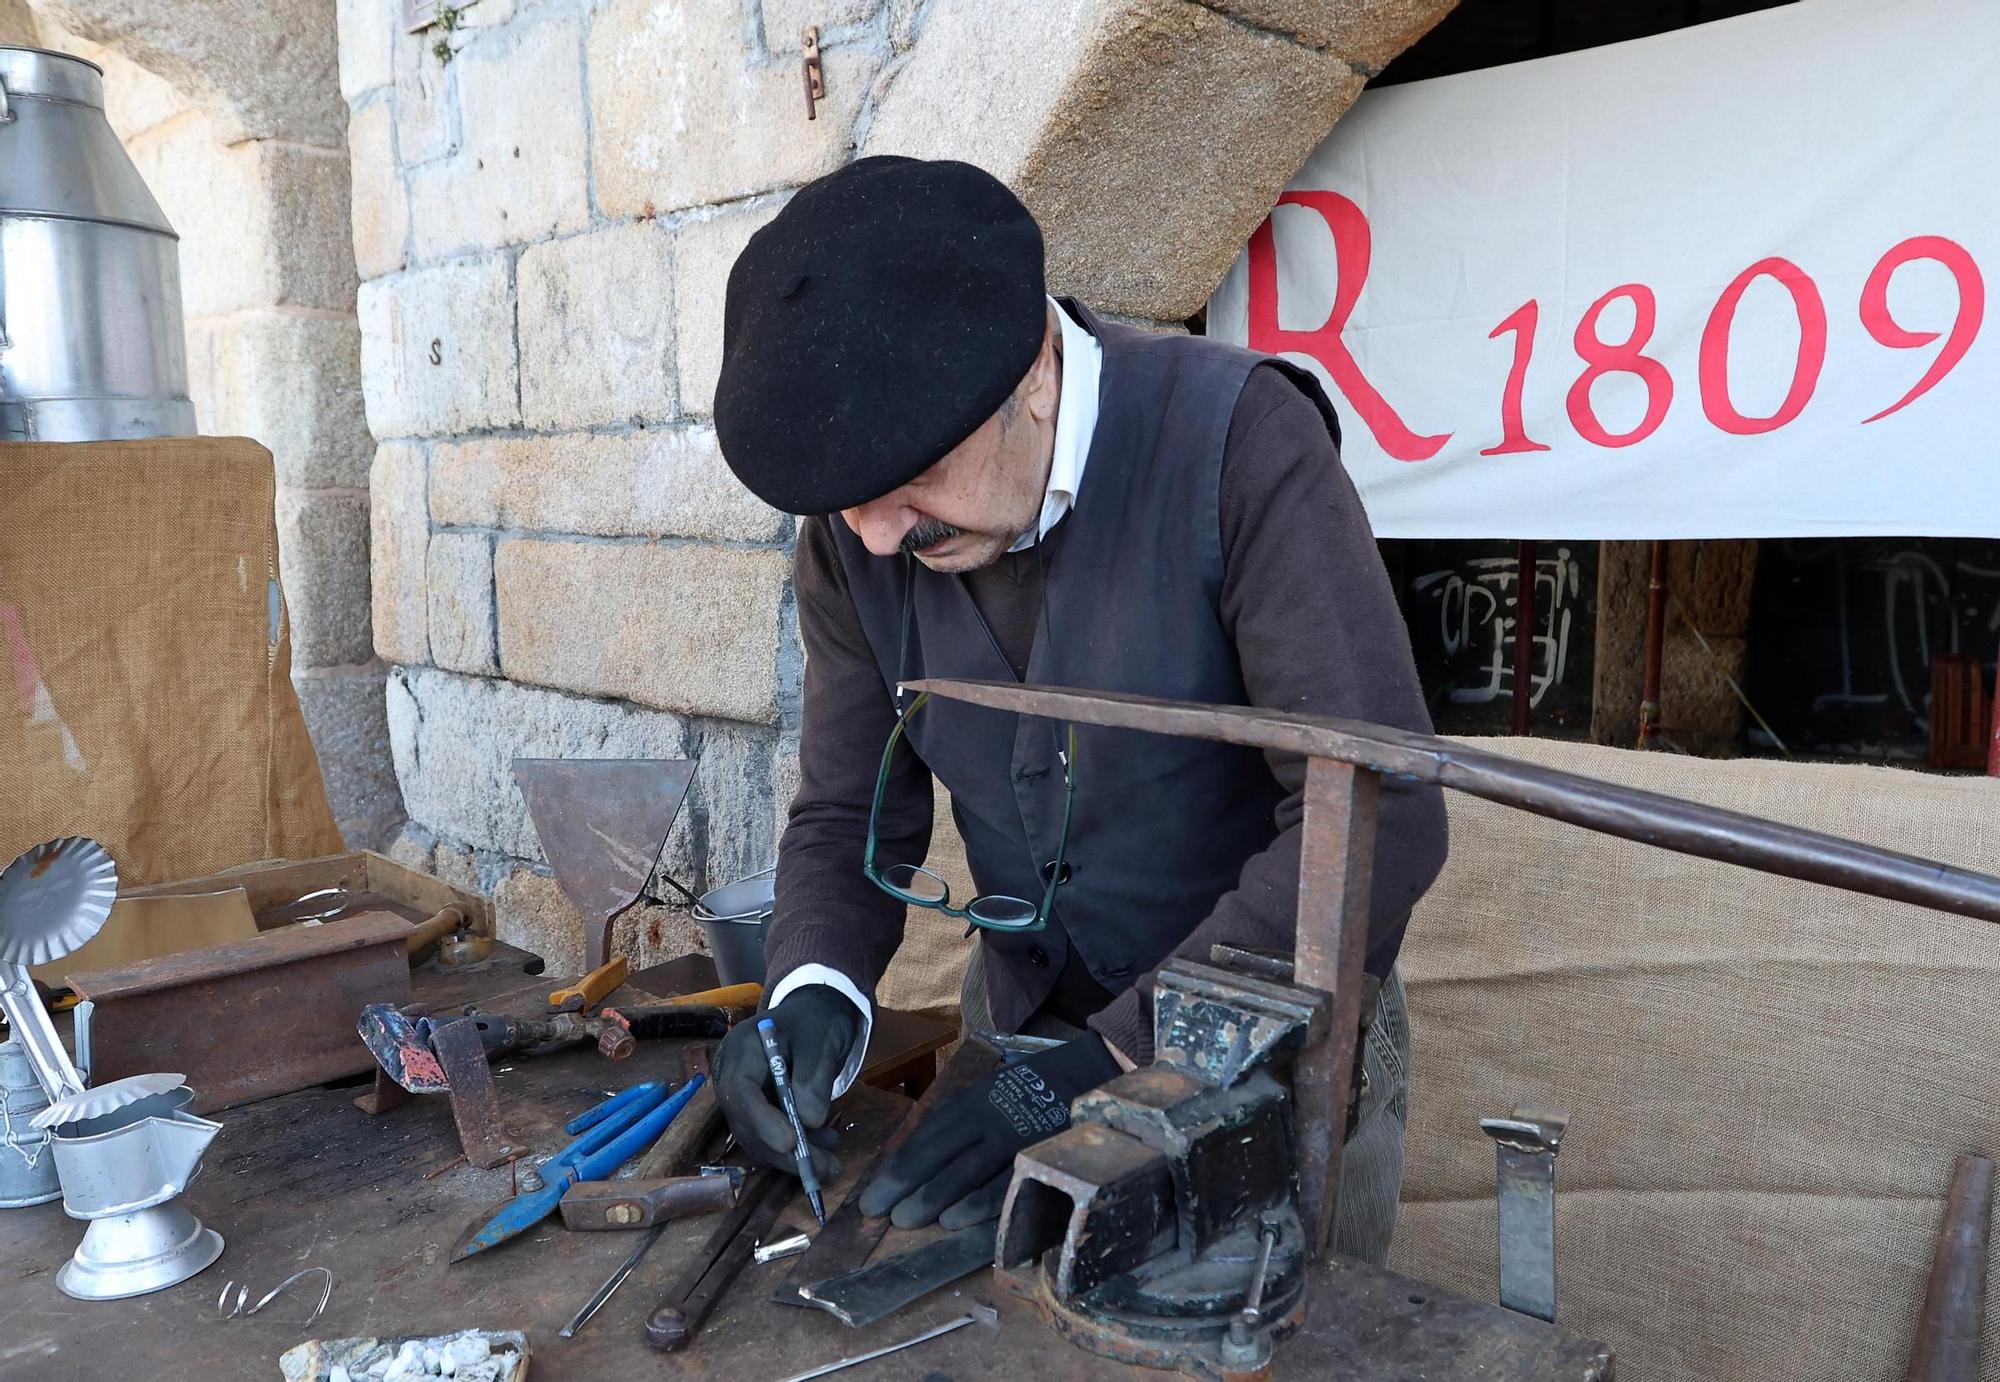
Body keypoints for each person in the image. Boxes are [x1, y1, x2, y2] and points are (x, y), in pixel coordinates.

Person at [707, 156, 1447, 1260]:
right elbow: (839, 810)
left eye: (906, 478)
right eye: (845, 498)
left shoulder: (1240, 445)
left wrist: (1118, 1057)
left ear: (1037, 378)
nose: (871, 534)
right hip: (1015, 1035)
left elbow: (1381, 816)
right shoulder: (853, 530)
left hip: (1267, 1051)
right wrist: (813, 988)